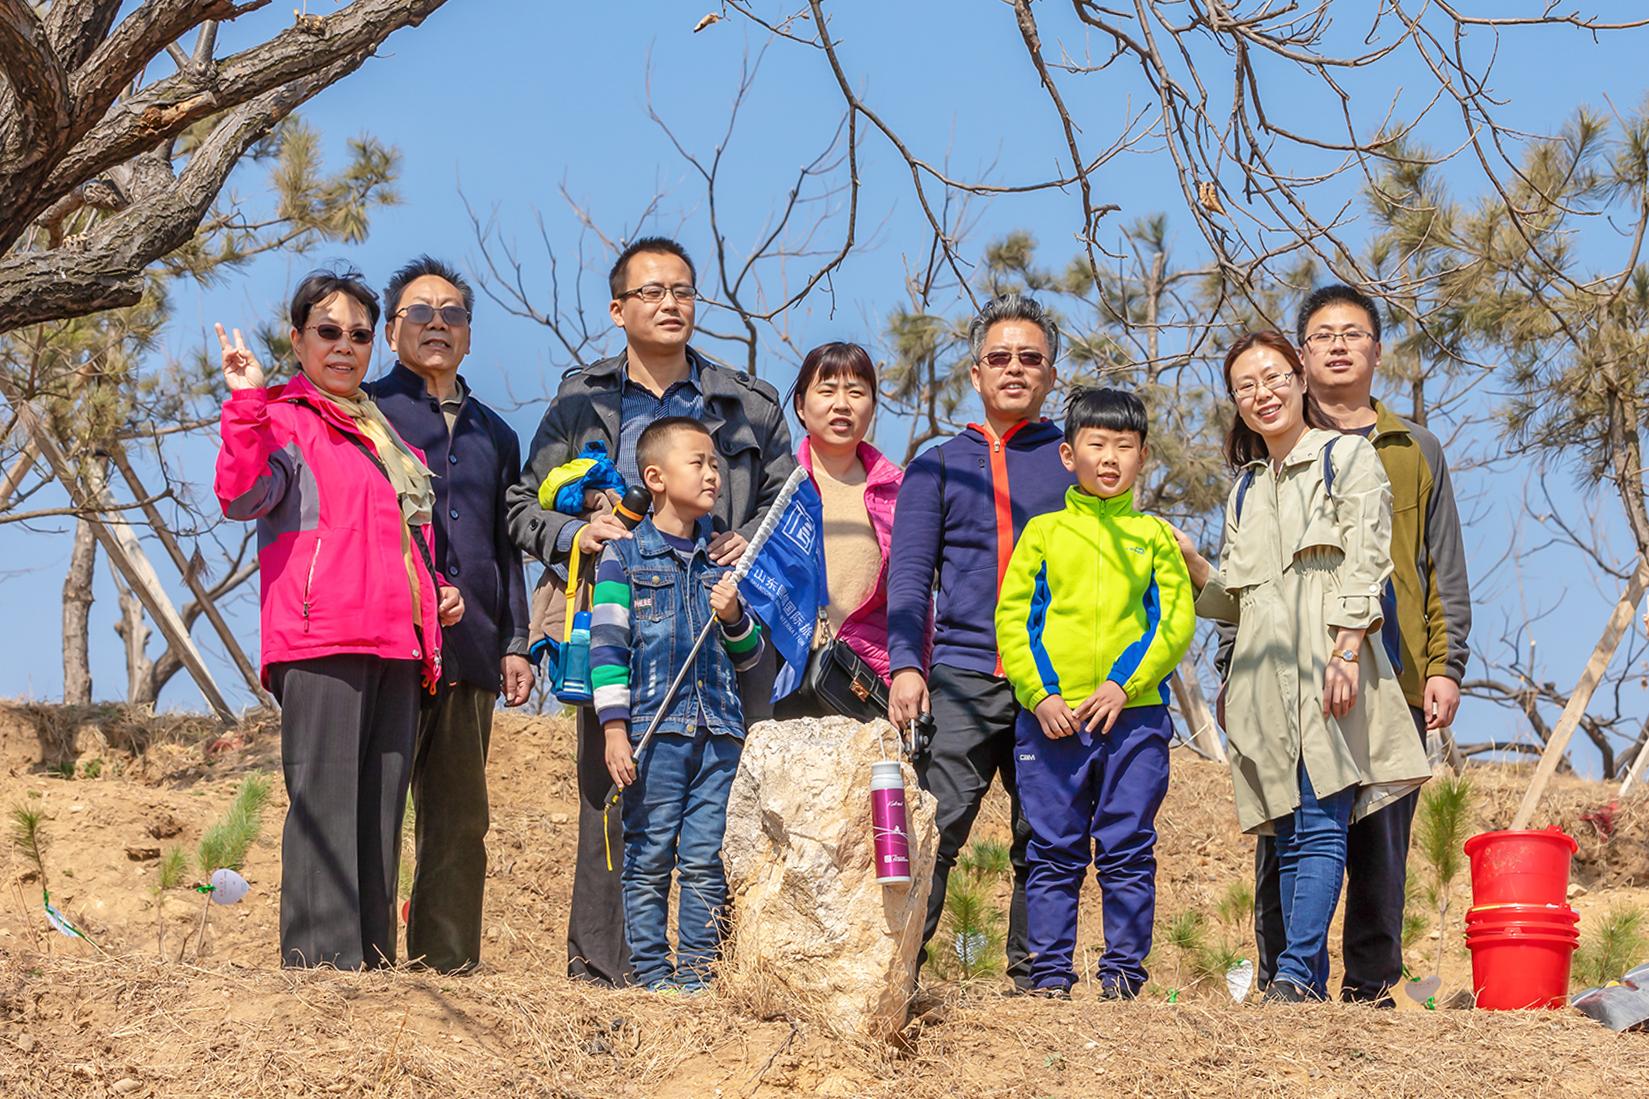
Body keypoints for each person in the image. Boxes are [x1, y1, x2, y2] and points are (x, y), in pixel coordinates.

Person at [507, 236, 794, 986]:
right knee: (613, 793)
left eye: (684, 291)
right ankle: (608, 969)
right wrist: (578, 532)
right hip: (615, 612)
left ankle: (711, 968)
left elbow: (787, 500)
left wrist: (750, 547)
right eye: (652, 291)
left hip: (723, 622)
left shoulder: (744, 401)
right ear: (617, 308)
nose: (671, 303)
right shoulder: (580, 400)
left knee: (721, 804)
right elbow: (519, 502)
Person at [213, 267, 464, 969]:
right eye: (327, 331)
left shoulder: (393, 442)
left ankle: (371, 967)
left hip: (399, 646)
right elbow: (240, 496)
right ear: (297, 339)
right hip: (321, 639)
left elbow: (407, 546)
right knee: (324, 810)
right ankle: (322, 970)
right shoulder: (283, 418)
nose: (344, 345)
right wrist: (244, 404)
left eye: (358, 334)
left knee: (379, 815)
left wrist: (438, 592)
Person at [1174, 331, 1429, 1002]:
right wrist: (1199, 571)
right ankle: (1303, 987)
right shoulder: (1244, 492)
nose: (1262, 394)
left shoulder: (1346, 459)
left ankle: (1289, 977)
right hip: (1261, 683)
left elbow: (1368, 560)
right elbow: (1233, 601)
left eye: (1273, 377)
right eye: (1245, 386)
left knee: (1319, 822)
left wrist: (1346, 650)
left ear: (1299, 378)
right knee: (1287, 831)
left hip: (1327, 667)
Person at [1249, 284, 1471, 1004]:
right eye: (1321, 335)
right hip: (1287, 677)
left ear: (1376, 351)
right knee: (1286, 833)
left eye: (1352, 333)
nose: (1337, 344)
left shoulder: (1414, 448)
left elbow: (1439, 563)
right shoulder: (1277, 442)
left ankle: (1370, 989)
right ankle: (1284, 982)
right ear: (1300, 357)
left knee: (1378, 843)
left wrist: (1445, 665)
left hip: (1388, 675)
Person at [885, 294, 1075, 989]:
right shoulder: (937, 465)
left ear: (1051, 374)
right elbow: (907, 575)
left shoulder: (1072, 462)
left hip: (1053, 683)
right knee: (934, 828)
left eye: (1030, 358)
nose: (1014, 369)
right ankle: (899, 970)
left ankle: (1039, 980)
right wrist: (907, 666)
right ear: (974, 373)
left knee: (1048, 835)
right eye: (999, 357)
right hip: (960, 676)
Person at [995, 387, 1194, 999]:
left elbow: (1174, 621)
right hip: (1051, 721)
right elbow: (1013, 619)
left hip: (1133, 721)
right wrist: (1041, 695)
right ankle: (1049, 979)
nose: (1110, 458)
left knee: (1128, 847)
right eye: (1096, 444)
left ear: (1143, 458)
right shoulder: (1044, 534)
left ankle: (1123, 980)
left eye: (1125, 447)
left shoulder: (1153, 537)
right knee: (1052, 851)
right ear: (1067, 454)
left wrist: (1121, 684)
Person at [366, 255, 532, 974]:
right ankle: (358, 956)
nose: (438, 325)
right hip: (390, 643)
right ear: (391, 329)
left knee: (460, 817)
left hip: (472, 647)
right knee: (376, 802)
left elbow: (506, 544)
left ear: (469, 333)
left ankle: (448, 960)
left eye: (452, 314)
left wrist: (518, 640)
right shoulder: (365, 410)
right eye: (420, 313)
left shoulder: (496, 431)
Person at [590, 417, 766, 991]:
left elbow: (749, 655)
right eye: (699, 462)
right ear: (655, 477)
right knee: (648, 855)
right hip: (654, 732)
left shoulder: (725, 559)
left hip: (719, 731)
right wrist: (615, 731)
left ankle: (696, 977)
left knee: (705, 859)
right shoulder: (624, 557)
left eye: (716, 462)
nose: (713, 472)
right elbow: (608, 648)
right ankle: (650, 976)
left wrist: (735, 616)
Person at [774, 341, 917, 718]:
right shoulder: (776, 486)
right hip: (783, 672)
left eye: (856, 392)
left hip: (868, 676)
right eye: (827, 390)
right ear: (801, 406)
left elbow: (917, 594)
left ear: (872, 405)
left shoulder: (899, 492)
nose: (842, 404)